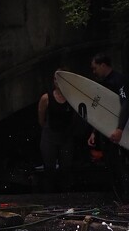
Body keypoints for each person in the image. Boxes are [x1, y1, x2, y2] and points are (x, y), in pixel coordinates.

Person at [86, 53, 129, 200]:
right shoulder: (102, 84)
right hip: (108, 131)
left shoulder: (119, 80)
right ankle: (121, 198)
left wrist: (120, 129)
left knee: (123, 165)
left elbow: (126, 105)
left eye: (95, 68)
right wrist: (94, 132)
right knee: (112, 165)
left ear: (103, 65)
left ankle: (126, 197)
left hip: (123, 131)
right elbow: (101, 111)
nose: (94, 71)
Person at [37, 69, 78, 191]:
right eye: (55, 79)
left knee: (66, 167)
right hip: (50, 135)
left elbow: (78, 116)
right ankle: (49, 195)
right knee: (49, 168)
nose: (57, 81)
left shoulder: (72, 97)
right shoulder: (46, 98)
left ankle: (65, 194)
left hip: (66, 136)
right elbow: (41, 118)